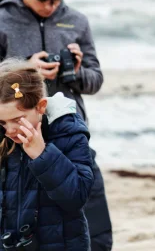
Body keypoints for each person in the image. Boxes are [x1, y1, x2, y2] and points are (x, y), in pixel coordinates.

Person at [0, 0, 113, 250]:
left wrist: (73, 71)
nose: (50, 6)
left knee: (92, 226)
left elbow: (95, 80)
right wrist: (24, 69)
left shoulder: (77, 21)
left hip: (68, 132)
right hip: (11, 139)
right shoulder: (2, 21)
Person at [0, 59, 95, 250]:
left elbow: (77, 196)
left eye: (17, 119)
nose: (9, 130)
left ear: (41, 106)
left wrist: (42, 155)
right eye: (2, 122)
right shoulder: (3, 137)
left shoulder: (69, 131)